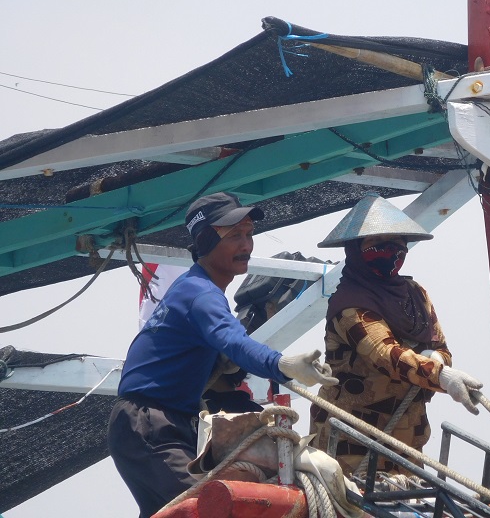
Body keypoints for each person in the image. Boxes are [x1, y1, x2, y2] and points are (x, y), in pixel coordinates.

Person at [108, 191, 338, 518]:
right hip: (149, 423)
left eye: (249, 234)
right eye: (234, 236)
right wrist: (282, 364)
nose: (246, 244)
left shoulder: (195, 290)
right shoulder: (201, 295)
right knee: (209, 508)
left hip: (161, 421)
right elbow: (233, 341)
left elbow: (224, 344)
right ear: (203, 241)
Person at [309, 192, 483, 476]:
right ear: (355, 249)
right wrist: (440, 376)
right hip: (353, 441)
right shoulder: (350, 305)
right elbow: (384, 354)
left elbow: (442, 348)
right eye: (376, 244)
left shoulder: (416, 294)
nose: (390, 251)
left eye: (397, 243)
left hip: (407, 437)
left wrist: (437, 358)